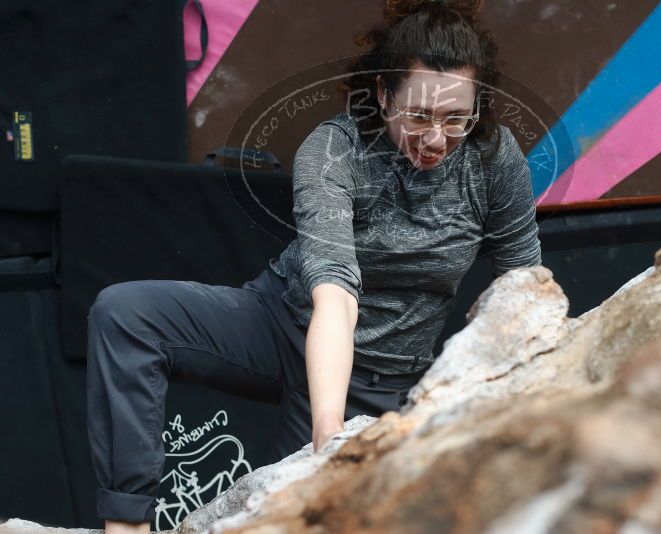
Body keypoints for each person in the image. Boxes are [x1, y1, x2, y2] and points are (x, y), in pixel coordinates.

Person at [86, 0, 542, 532]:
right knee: (125, 312)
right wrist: (329, 431)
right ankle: (127, 523)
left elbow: (522, 287)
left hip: (383, 375)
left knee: (308, 516)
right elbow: (335, 294)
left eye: (455, 118)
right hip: (286, 320)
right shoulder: (334, 150)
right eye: (418, 115)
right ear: (382, 95)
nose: (436, 137)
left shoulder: (493, 159)